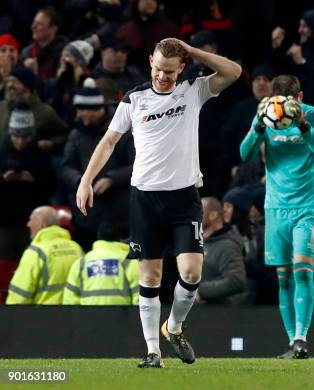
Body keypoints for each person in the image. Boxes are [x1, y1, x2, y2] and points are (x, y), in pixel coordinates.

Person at [75, 38, 241, 368]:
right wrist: (86, 180)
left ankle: (174, 326)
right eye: (158, 69)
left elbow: (234, 72)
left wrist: (194, 52)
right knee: (150, 278)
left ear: (181, 68)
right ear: (150, 61)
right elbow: (109, 141)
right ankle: (153, 351)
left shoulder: (194, 90)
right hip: (145, 198)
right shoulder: (134, 99)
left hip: (184, 198)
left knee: (192, 273)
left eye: (169, 71)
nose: (162, 77)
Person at [240, 74, 314, 358]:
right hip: (276, 207)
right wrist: (257, 128)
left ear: (300, 99)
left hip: (309, 205)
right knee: (283, 278)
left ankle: (302, 338)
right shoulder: (265, 118)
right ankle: (293, 341)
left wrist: (303, 126)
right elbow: (245, 154)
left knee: (303, 269)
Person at [61, 80, 135, 251]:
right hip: (86, 218)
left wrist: (111, 179)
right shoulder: (76, 135)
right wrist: (81, 181)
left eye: (85, 110)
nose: (81, 115)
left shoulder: (122, 132)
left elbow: (139, 165)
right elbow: (66, 167)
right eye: (79, 110)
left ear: (99, 110)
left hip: (119, 215)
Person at [0, 105, 56, 266]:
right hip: (5, 224)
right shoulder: (2, 153)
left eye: (25, 137)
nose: (20, 141)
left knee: (32, 266)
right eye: (16, 136)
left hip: (33, 225)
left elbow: (51, 187)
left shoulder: (41, 156)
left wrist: (34, 180)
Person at [6, 206, 82, 304]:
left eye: (31, 220)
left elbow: (19, 296)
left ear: (42, 224)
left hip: (43, 316)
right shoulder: (77, 249)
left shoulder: (35, 253)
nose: (28, 224)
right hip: (72, 316)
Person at [63, 225, 139, 306]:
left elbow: (70, 301)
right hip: (122, 318)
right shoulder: (130, 262)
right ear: (119, 239)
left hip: (87, 317)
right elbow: (139, 299)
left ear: (98, 239)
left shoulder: (81, 263)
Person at [0, 66, 69, 154]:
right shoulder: (1, 107)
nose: (10, 85)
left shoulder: (45, 112)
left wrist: (51, 143)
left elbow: (65, 136)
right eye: (8, 81)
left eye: (15, 82)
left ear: (27, 87)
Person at [197, 197, 247, 304]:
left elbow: (236, 280)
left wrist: (198, 290)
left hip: (215, 314)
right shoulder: (195, 242)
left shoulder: (227, 246)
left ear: (213, 215)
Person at [21, 6, 68, 80]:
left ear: (53, 29)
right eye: (34, 22)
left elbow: (58, 86)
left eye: (39, 24)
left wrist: (35, 74)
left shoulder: (63, 53)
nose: (33, 26)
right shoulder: (26, 52)